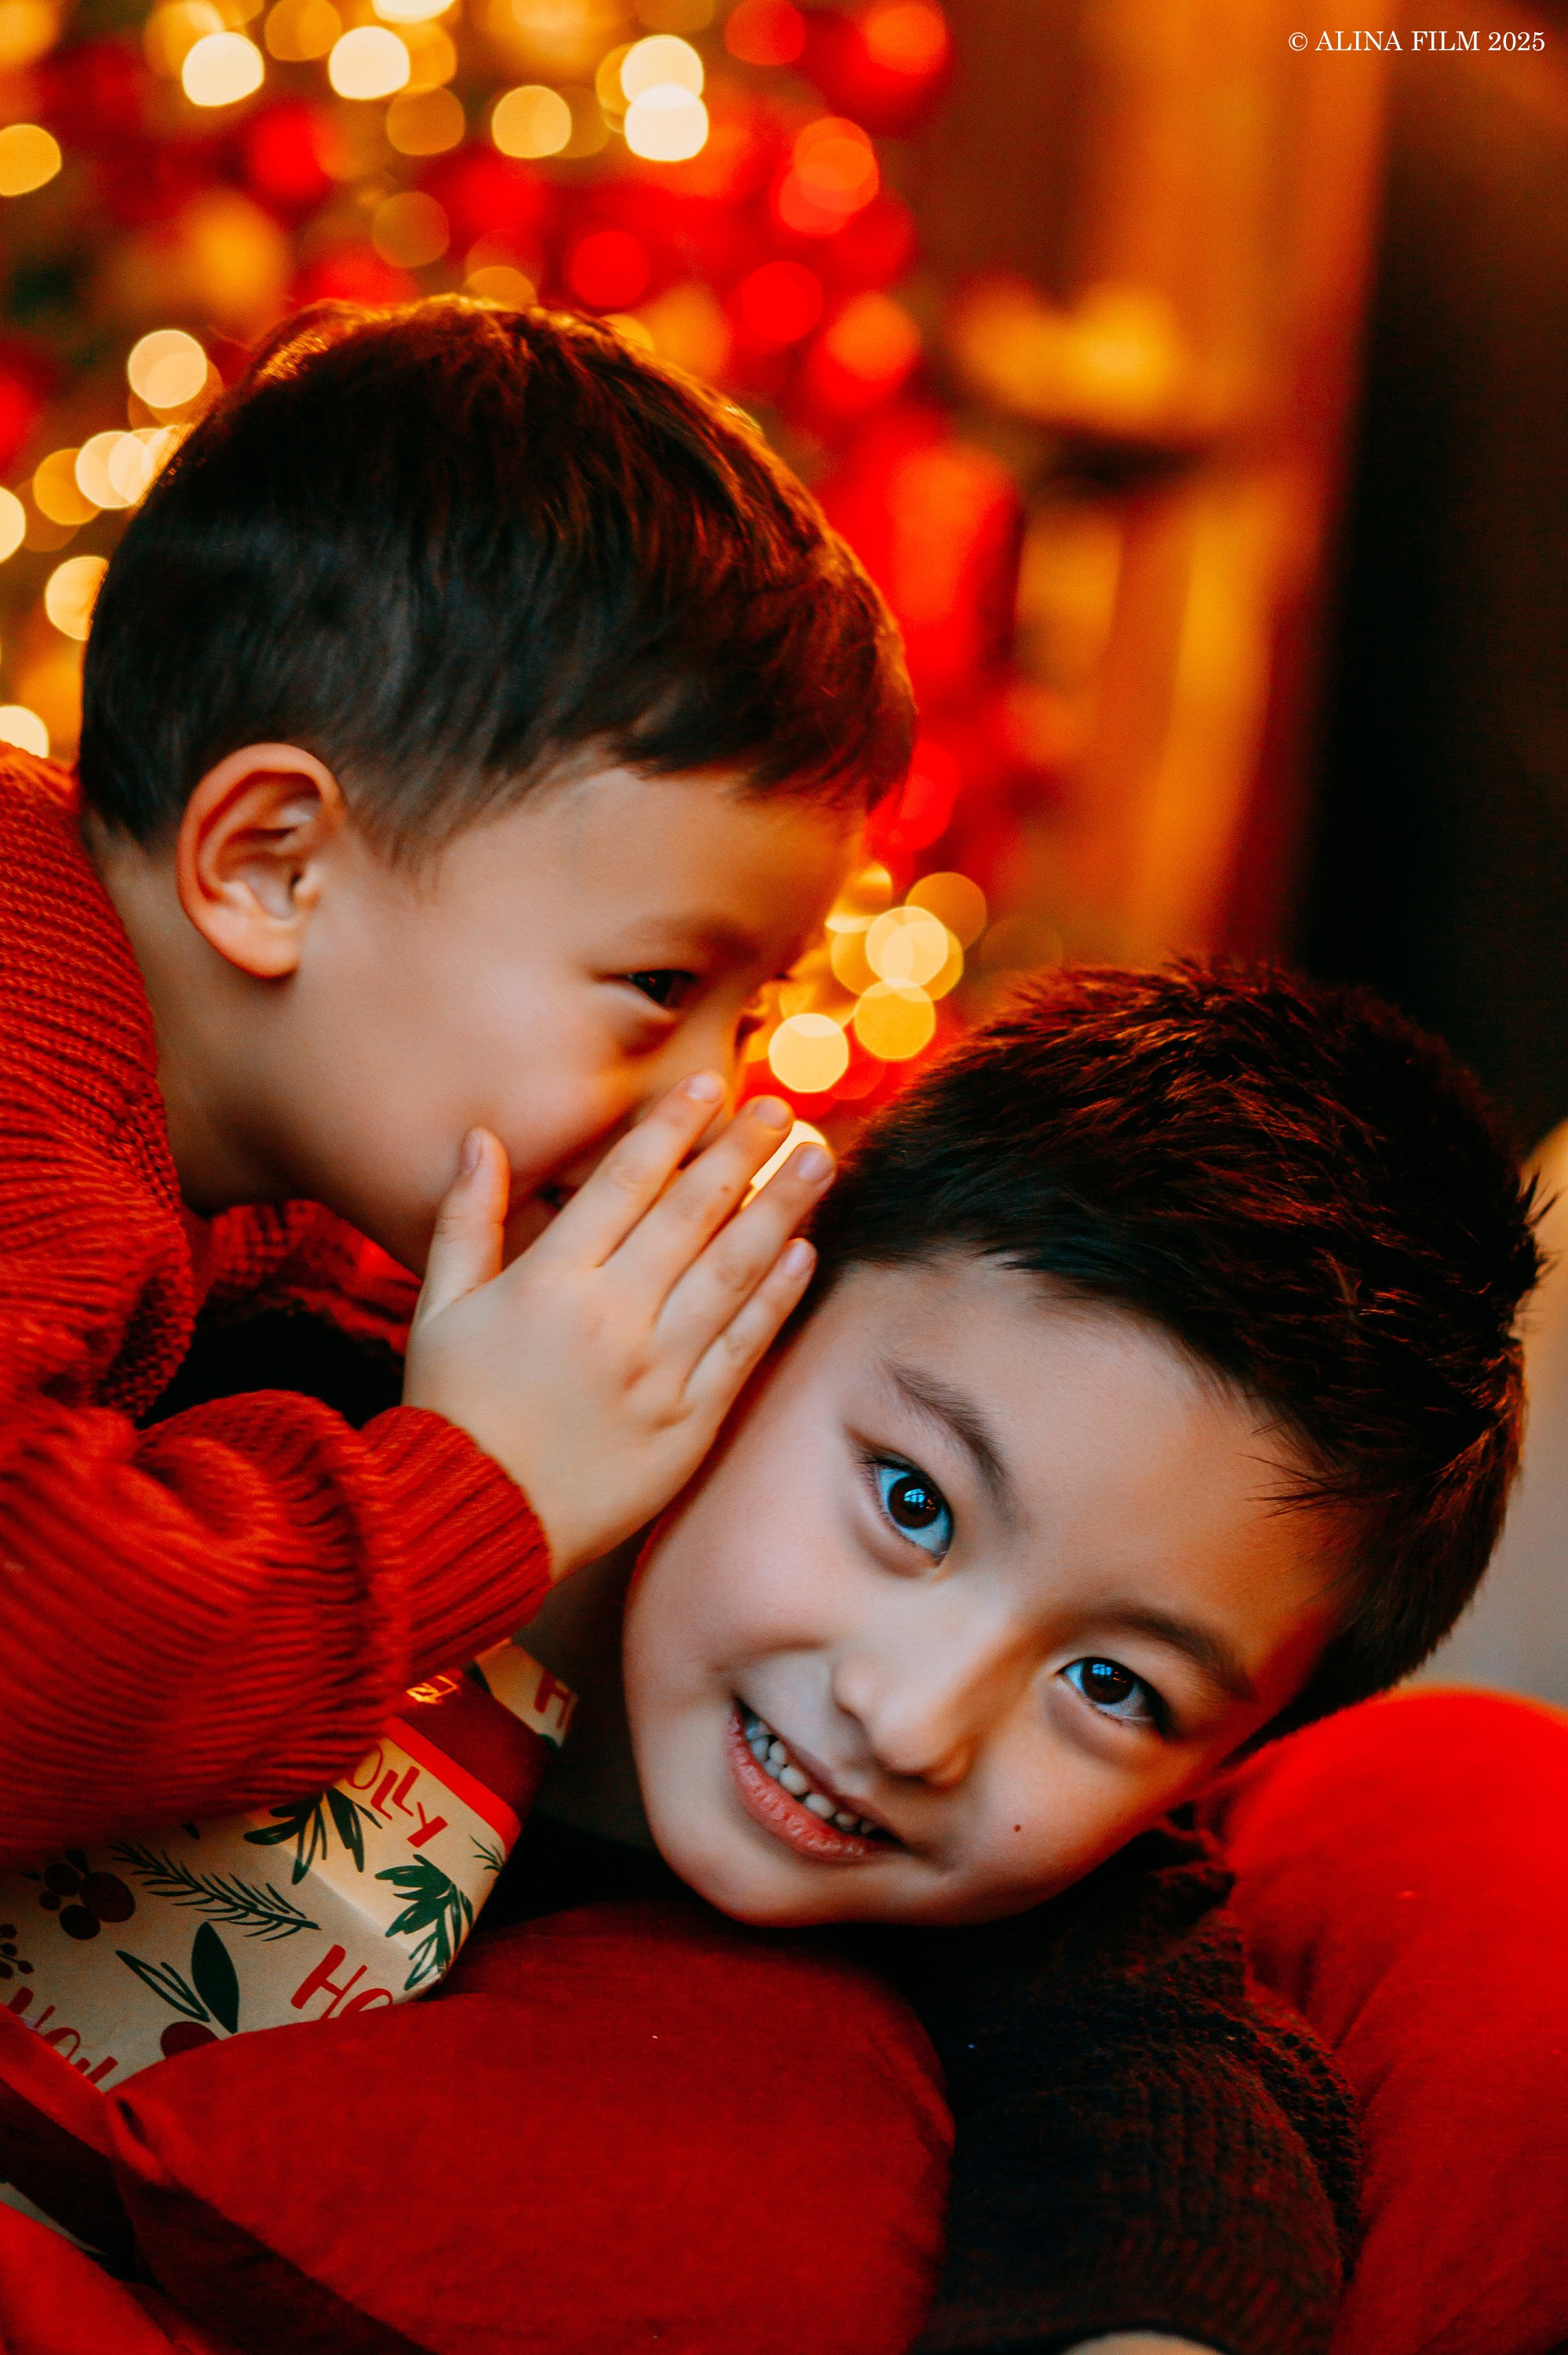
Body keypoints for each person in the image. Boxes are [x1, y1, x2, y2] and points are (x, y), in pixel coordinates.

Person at [498, 959, 1541, 2354]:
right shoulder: (350, 1452)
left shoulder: (1077, 1934)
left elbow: (1180, 2138)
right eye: (912, 1503)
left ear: (1222, 1761)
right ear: (759, 1298)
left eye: (1113, 1689)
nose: (915, 1723)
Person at [0, 294, 913, 1871]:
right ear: (273, 866)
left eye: (748, 1012)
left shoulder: (209, 1099)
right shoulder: (28, 1107)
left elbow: (320, 1278)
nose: (703, 1095)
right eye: (656, 989)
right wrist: (480, 1483)